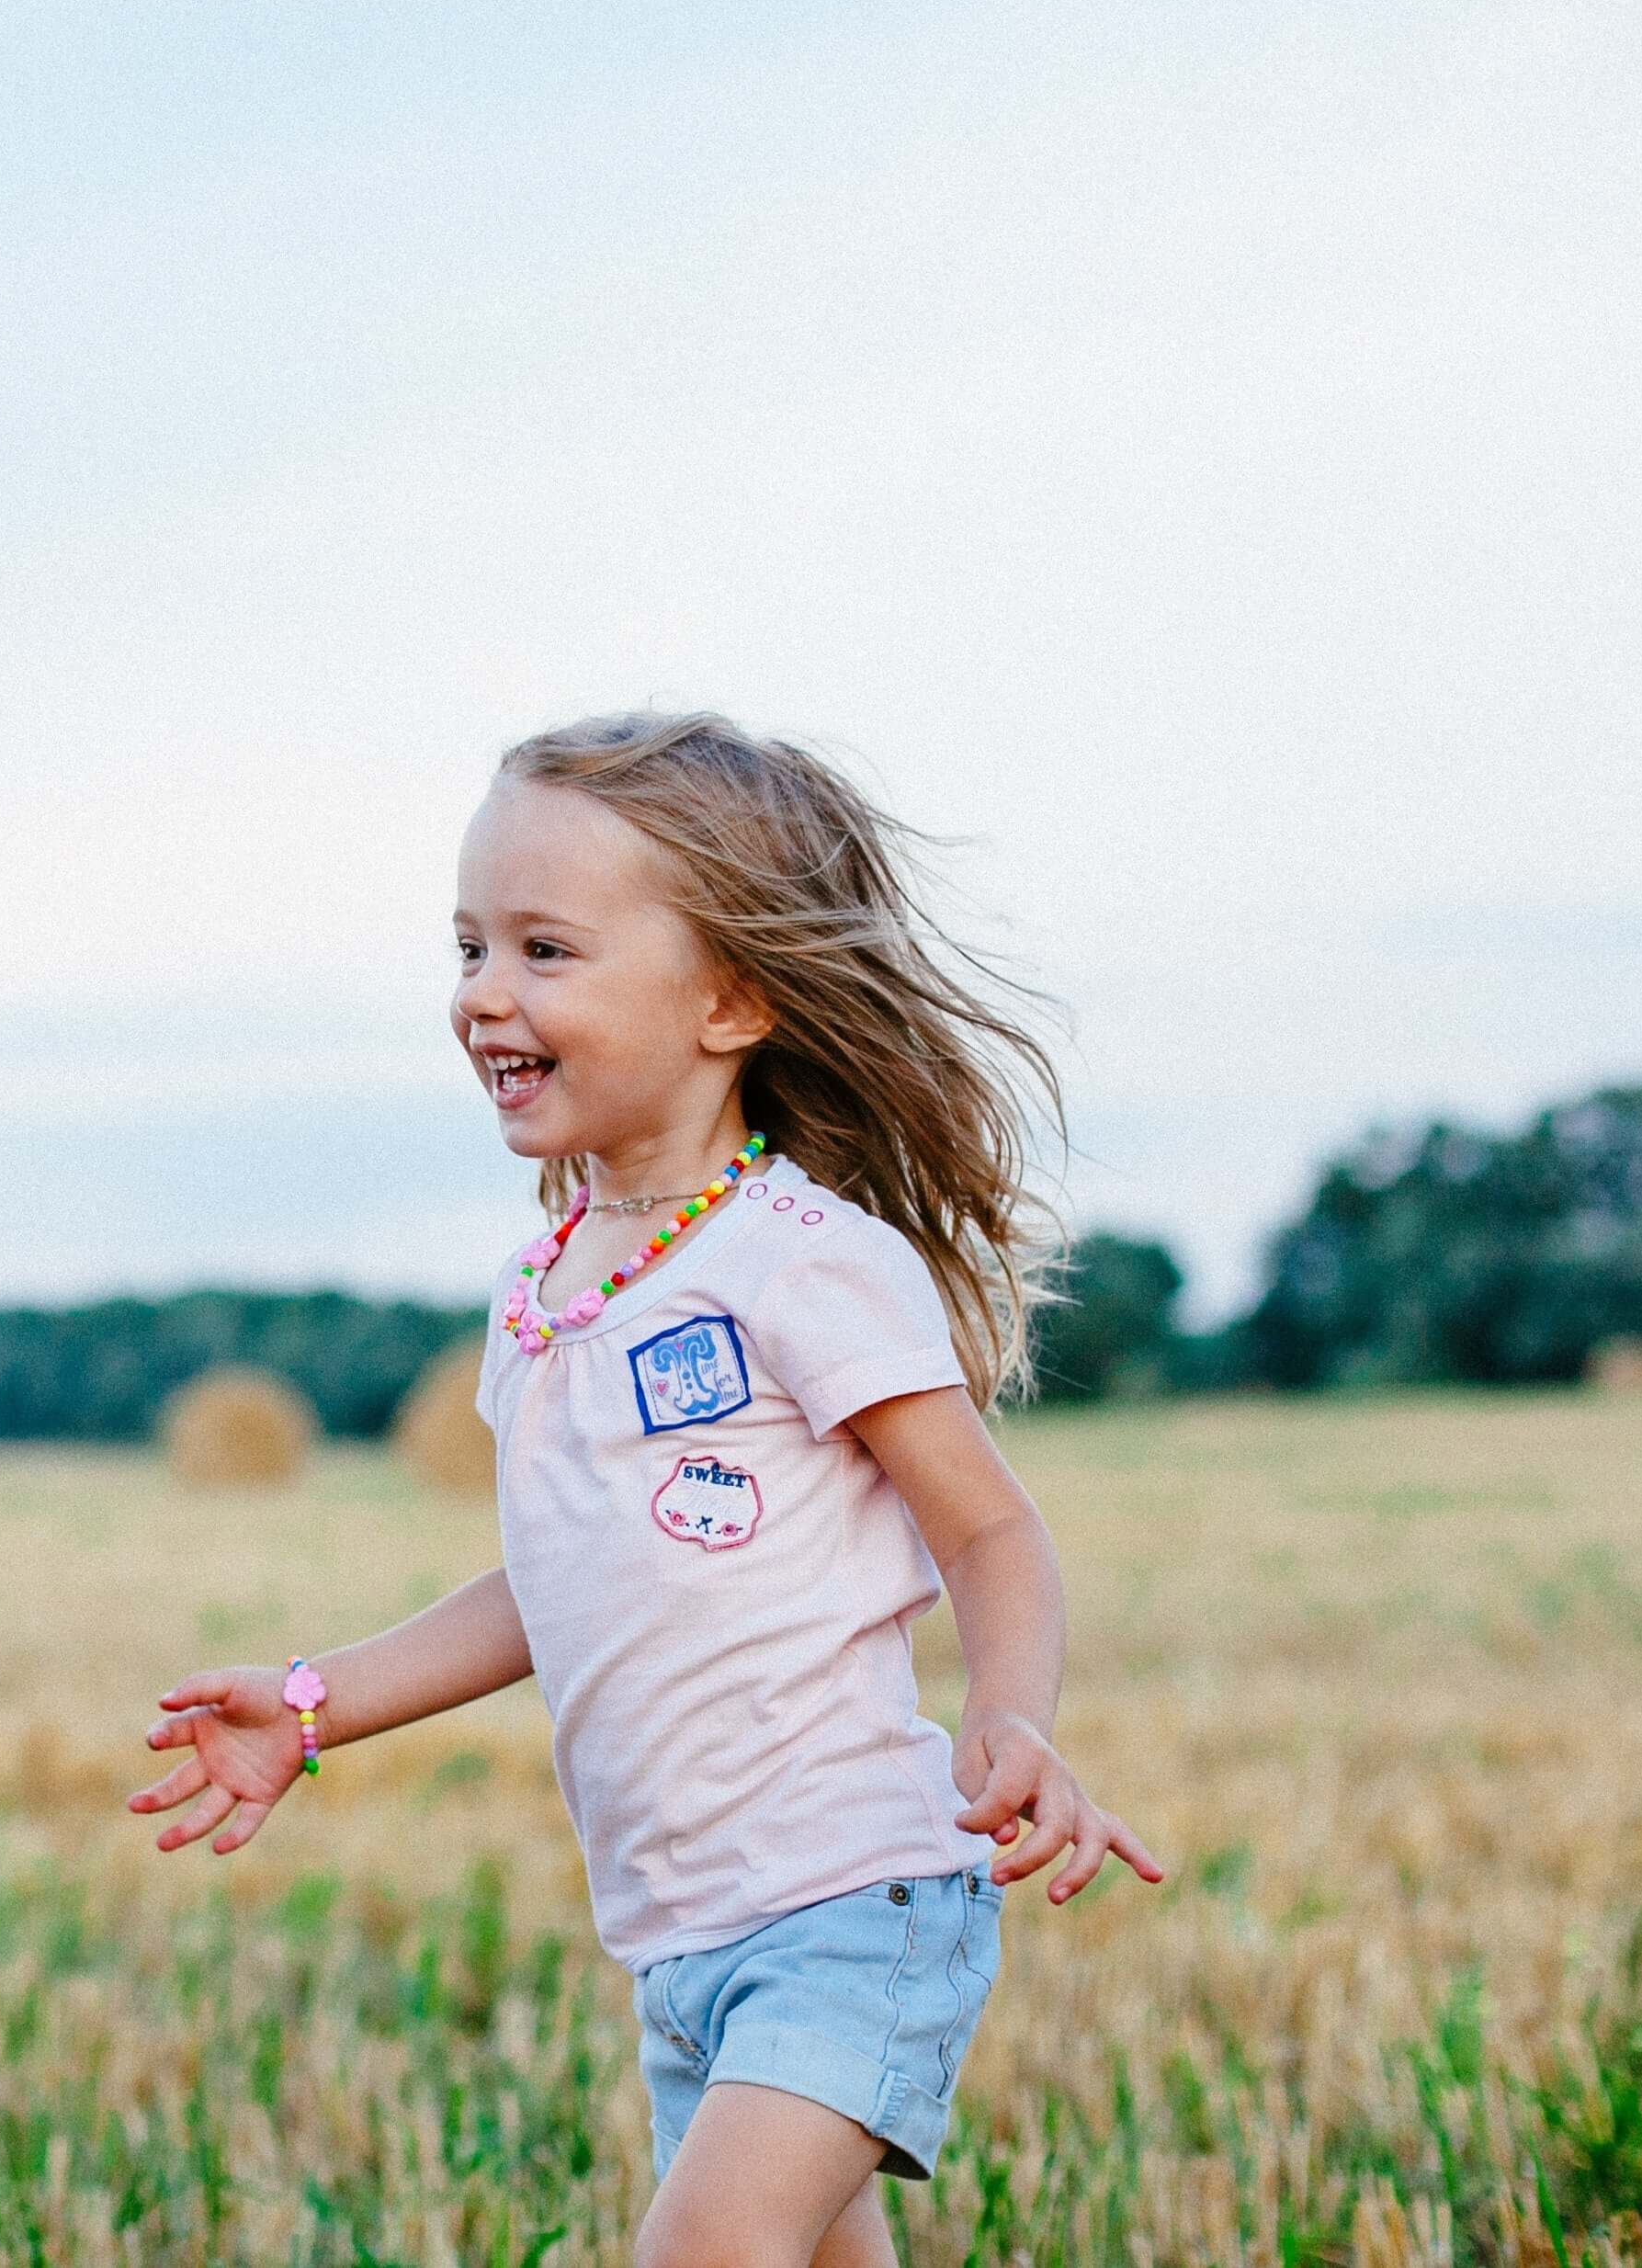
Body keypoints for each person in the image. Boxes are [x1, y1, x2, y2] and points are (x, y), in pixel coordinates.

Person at [128, 711, 1164, 2268]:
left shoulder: (807, 1263)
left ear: (730, 998)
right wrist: (317, 1699)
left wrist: (1011, 1718)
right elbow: (552, 1581)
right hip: (680, 1942)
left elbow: (988, 1526)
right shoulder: (545, 1290)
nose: (485, 994)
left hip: (850, 1902)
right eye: (470, 945)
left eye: (547, 950)